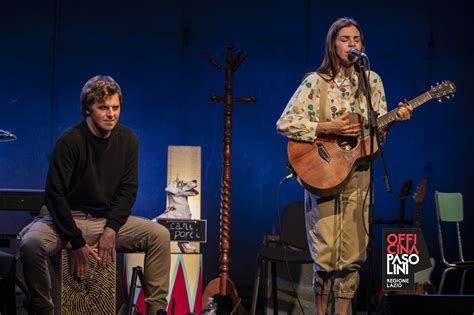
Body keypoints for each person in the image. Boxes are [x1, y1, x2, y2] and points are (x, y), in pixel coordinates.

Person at [276, 18, 412, 315]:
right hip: (323, 173)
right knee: (326, 255)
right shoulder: (316, 82)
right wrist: (330, 126)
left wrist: (395, 119)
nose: (352, 44)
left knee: (352, 255)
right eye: (345, 39)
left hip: (358, 175)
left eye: (357, 39)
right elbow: (285, 123)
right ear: (332, 44)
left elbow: (377, 135)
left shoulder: (372, 81)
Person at [19, 75, 170, 315]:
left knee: (159, 235)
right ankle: (43, 309)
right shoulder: (70, 142)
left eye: (115, 107)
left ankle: (156, 310)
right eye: (103, 108)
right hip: (66, 219)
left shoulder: (128, 140)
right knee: (31, 244)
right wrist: (76, 241)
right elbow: (55, 195)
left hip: (104, 222)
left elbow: (128, 189)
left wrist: (111, 228)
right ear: (87, 110)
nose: (111, 114)